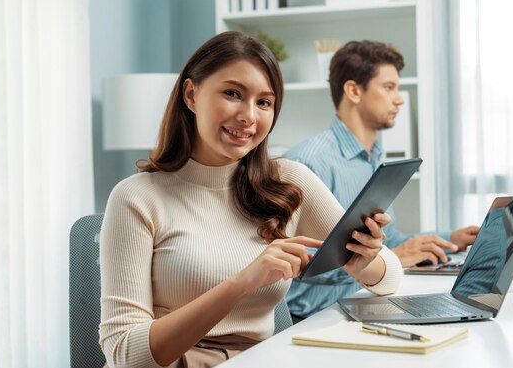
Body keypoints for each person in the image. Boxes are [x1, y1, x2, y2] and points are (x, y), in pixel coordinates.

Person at [98, 31, 402, 368]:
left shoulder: (289, 181)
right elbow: (125, 356)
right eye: (232, 93)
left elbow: (391, 277)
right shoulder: (137, 198)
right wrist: (242, 283)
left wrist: (364, 262)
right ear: (191, 94)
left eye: (264, 102)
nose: (249, 116)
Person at [284, 40, 480, 321]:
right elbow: (296, 265)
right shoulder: (308, 163)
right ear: (353, 90)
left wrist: (451, 240)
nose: (399, 98)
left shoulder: (375, 158)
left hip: (360, 305)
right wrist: (387, 260)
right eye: (389, 87)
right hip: (312, 318)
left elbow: (391, 241)